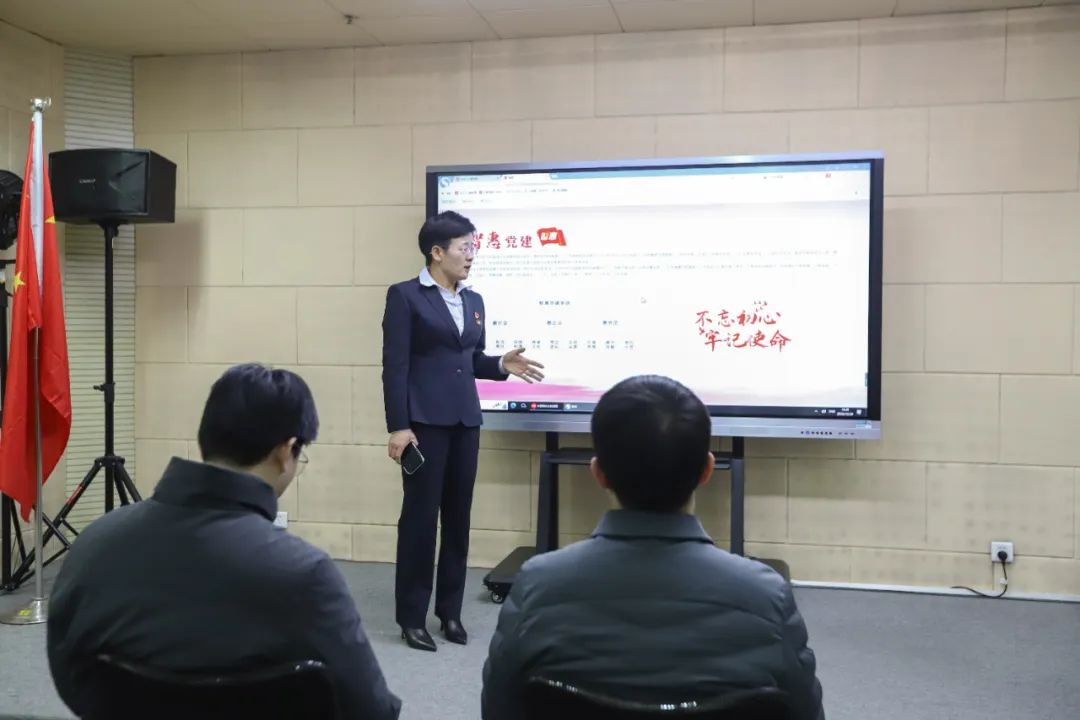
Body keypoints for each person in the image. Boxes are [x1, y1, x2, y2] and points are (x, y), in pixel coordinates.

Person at [47, 364, 401, 720]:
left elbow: (70, 675)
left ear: (207, 435)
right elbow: (371, 711)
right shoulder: (305, 574)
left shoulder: (96, 544)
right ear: (287, 450)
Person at [481, 375, 825, 720]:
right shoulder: (765, 596)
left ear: (598, 472)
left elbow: (498, 710)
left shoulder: (538, 584)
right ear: (707, 470)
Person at [382, 210, 544, 652]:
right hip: (423, 426)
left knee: (458, 519)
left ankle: (449, 612)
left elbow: (468, 360)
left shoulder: (474, 301)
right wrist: (399, 426)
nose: (471, 255)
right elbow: (395, 367)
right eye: (464, 248)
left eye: (473, 247)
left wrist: (499, 365)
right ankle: (411, 617)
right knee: (420, 521)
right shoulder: (405, 296)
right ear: (437, 252)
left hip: (465, 422)